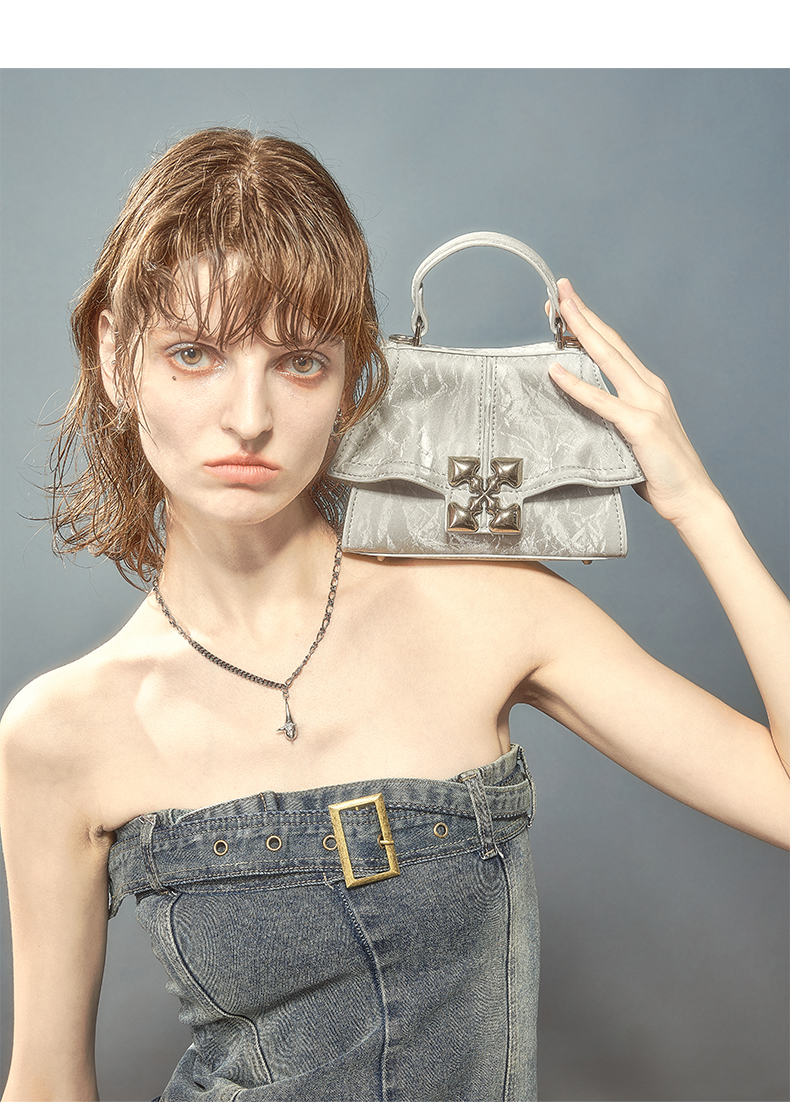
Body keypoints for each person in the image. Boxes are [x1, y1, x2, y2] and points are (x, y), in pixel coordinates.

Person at [1, 126, 787, 1102]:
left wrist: (697, 505)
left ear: (353, 376)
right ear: (118, 358)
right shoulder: (61, 733)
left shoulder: (486, 609)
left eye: (298, 361)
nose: (248, 417)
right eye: (194, 354)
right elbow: (45, 1081)